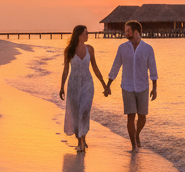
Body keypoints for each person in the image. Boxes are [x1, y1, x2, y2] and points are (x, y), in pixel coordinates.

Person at [105, 20, 158, 151]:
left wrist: (154, 88)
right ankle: (134, 145)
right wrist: (108, 85)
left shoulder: (147, 48)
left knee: (142, 117)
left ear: (136, 32)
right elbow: (116, 66)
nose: (125, 32)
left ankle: (137, 134)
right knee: (130, 116)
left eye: (127, 30)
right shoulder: (122, 48)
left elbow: (153, 69)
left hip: (143, 87)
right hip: (127, 86)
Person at [59, 24, 107, 153]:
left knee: (84, 112)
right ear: (79, 35)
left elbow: (95, 68)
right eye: (85, 33)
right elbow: (65, 70)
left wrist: (104, 84)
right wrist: (62, 87)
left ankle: (81, 141)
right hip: (73, 85)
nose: (87, 35)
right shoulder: (69, 50)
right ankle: (80, 138)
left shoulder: (90, 49)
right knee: (75, 113)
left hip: (87, 85)